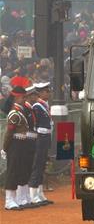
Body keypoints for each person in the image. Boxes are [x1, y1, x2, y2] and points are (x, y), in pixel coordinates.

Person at [2, 76, 36, 210]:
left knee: (21, 170)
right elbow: (9, 133)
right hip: (14, 145)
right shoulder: (14, 113)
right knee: (12, 172)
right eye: (23, 98)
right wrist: (5, 148)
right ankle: (9, 200)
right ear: (17, 98)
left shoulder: (21, 111)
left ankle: (21, 198)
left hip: (22, 145)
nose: (25, 100)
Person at [26, 82, 53, 206]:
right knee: (37, 164)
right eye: (46, 91)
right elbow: (33, 123)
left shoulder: (44, 105)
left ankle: (40, 193)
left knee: (42, 164)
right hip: (40, 136)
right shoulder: (37, 106)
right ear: (41, 93)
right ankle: (33, 194)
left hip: (46, 136)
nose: (48, 93)